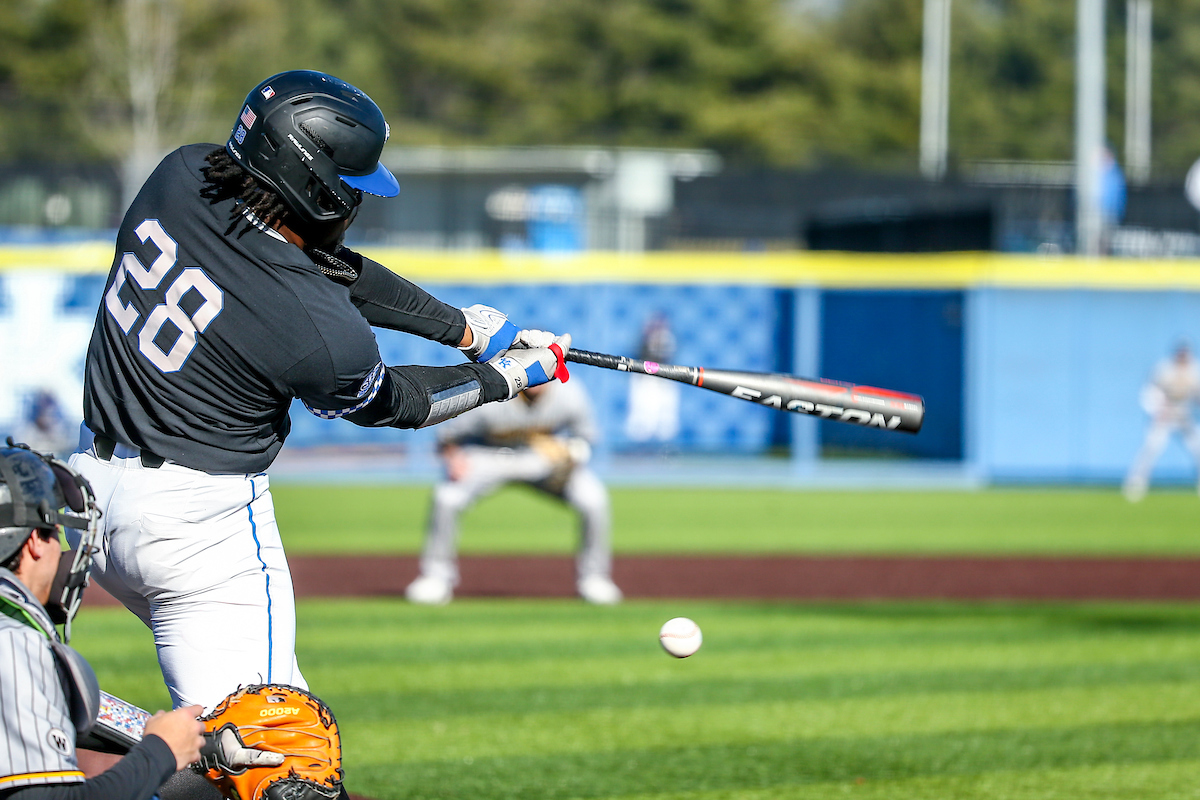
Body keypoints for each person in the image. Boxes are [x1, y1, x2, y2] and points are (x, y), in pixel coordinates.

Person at [67, 69, 570, 714]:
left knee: (228, 748)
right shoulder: (322, 336)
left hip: (89, 499)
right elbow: (398, 403)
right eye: (350, 190)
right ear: (315, 184)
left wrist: (461, 329)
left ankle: (139, 737)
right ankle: (151, 745)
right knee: (277, 756)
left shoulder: (181, 176)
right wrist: (508, 378)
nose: (356, 204)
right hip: (195, 530)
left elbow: (320, 270)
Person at [0, 443, 205, 799]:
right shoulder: (16, 644)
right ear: (34, 542)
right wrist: (162, 751)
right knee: (196, 789)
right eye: (55, 533)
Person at [406, 378, 621, 605]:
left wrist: (572, 453)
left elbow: (586, 438)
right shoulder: (491, 387)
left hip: (542, 458)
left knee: (593, 498)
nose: (540, 377)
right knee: (447, 497)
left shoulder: (569, 393)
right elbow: (448, 438)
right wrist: (454, 458)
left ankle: (595, 578)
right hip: (487, 456)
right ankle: (435, 577)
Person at [1122, 341, 1200, 502]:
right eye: (1181, 354)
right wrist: (1157, 409)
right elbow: (1149, 391)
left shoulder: (1195, 369)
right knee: (1152, 448)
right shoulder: (1165, 368)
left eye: (1186, 354)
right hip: (1165, 414)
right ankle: (1136, 485)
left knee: (1197, 448)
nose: (1183, 357)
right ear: (1176, 354)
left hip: (1184, 415)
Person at [623, 313, 680, 447]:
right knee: (642, 417)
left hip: (664, 377)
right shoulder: (643, 339)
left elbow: (666, 357)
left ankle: (665, 449)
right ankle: (639, 449)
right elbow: (641, 355)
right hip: (645, 377)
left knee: (665, 419)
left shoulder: (668, 338)